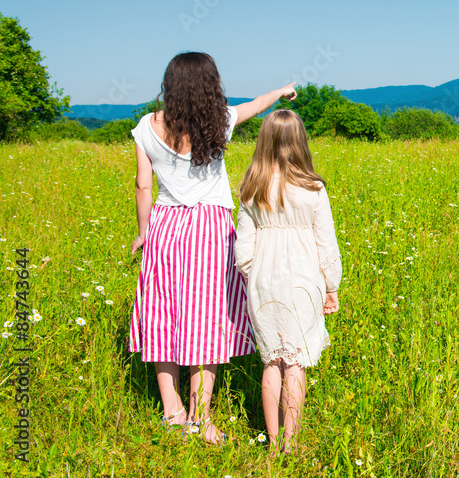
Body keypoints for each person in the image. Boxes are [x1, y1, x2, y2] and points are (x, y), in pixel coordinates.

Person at [128, 51, 297, 444]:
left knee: (162, 317)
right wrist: (282, 90)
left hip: (166, 227)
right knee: (206, 322)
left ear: (170, 84)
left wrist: (143, 231)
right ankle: (200, 419)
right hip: (211, 229)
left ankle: (172, 412)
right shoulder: (219, 121)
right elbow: (256, 106)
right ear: (210, 85)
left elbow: (143, 185)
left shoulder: (145, 126)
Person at [234, 109, 342, 454]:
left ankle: (273, 440)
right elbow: (327, 244)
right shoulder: (313, 188)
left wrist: (259, 276)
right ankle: (291, 444)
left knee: (271, 361)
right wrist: (331, 286)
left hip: (263, 282)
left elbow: (242, 253)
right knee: (295, 361)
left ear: (263, 141)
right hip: (303, 282)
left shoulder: (252, 187)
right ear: (300, 142)